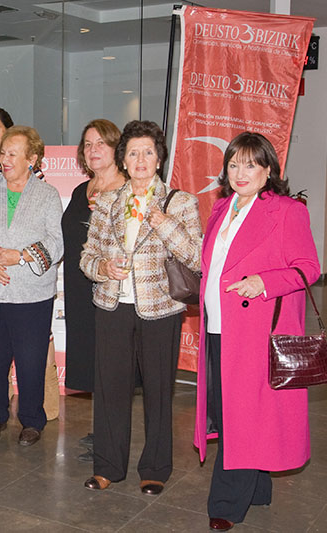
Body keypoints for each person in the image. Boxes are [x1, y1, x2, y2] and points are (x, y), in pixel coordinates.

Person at [195, 132, 319, 531]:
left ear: (268, 170)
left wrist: (264, 282)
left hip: (255, 333)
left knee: (240, 419)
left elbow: (308, 268)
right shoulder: (221, 209)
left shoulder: (287, 211)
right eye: (233, 164)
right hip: (218, 327)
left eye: (250, 164)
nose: (240, 173)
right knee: (229, 411)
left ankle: (227, 504)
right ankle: (258, 488)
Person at [80, 120, 201, 495]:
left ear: (159, 159)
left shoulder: (180, 202)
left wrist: (163, 223)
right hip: (113, 306)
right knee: (110, 389)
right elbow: (87, 256)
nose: (141, 159)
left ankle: (155, 468)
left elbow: (196, 257)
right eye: (133, 153)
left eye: (148, 152)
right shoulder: (107, 203)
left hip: (160, 310)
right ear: (123, 160)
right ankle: (107, 466)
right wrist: (103, 268)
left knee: (158, 391)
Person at [0, 126, 64, 446]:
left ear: (32, 159)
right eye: (3, 153)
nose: (5, 159)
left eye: (13, 154)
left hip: (33, 294)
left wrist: (21, 256)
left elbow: (57, 243)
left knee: (30, 361)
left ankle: (32, 419)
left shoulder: (47, 194)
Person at [61, 119, 124, 462]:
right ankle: (103, 429)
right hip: (79, 290)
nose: (93, 149)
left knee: (112, 365)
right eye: (88, 144)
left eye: (101, 143)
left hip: (112, 290)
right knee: (94, 362)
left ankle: (112, 438)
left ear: (116, 148)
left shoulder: (128, 191)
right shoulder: (80, 191)